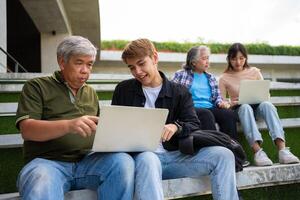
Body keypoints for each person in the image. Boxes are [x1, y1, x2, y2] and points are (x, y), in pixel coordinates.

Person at [112, 38, 239, 200]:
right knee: (147, 158)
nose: (137, 71)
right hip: (145, 160)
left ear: (155, 58)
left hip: (175, 156)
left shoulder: (179, 91)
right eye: (132, 67)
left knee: (224, 155)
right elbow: (116, 127)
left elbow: (193, 123)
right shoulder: (123, 90)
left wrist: (175, 127)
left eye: (141, 63)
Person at [16, 36, 135, 200]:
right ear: (62, 62)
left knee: (122, 162)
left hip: (87, 163)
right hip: (47, 163)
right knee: (41, 178)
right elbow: (27, 130)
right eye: (79, 63)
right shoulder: (36, 86)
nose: (85, 70)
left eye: (89, 64)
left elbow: (100, 133)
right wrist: (68, 125)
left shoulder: (91, 93)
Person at [219, 42, 300, 166]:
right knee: (245, 107)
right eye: (234, 58)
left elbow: (266, 95)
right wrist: (231, 102)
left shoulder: (255, 72)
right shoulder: (224, 77)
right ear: (229, 59)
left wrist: (261, 98)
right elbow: (222, 101)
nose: (238, 62)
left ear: (246, 58)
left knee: (268, 105)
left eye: (241, 58)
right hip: (239, 109)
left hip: (258, 107)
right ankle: (258, 152)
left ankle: (283, 150)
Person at [172, 45, 238, 140]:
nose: (207, 61)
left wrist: (221, 103)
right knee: (206, 114)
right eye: (204, 58)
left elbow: (217, 98)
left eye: (208, 58)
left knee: (228, 114)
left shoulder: (211, 77)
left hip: (209, 108)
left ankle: (233, 147)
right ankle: (214, 146)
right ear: (193, 62)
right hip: (190, 109)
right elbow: (173, 94)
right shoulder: (181, 74)